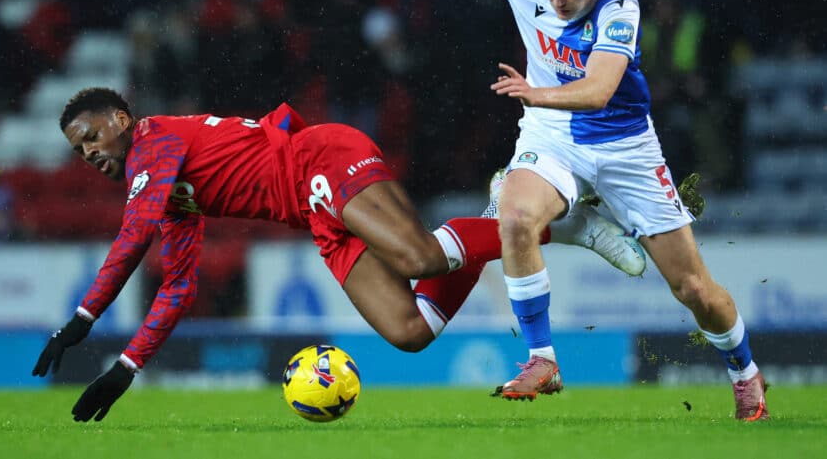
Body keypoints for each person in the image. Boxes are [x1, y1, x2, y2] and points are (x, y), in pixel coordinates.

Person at [333, 0, 769, 421]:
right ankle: (543, 359)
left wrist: (534, 91)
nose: (558, 2)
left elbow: (600, 89)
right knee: (512, 216)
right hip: (552, 135)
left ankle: (744, 371)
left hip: (625, 149)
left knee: (692, 288)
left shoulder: (619, 4)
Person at [32, 87, 646, 422]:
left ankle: (560, 227)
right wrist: (127, 367)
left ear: (120, 118)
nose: (87, 153)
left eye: (90, 137)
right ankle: (497, 221)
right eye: (76, 150)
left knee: (419, 259)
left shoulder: (154, 143)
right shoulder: (167, 193)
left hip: (319, 162)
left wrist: (83, 320)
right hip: (312, 213)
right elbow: (177, 287)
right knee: (410, 330)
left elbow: (132, 236)